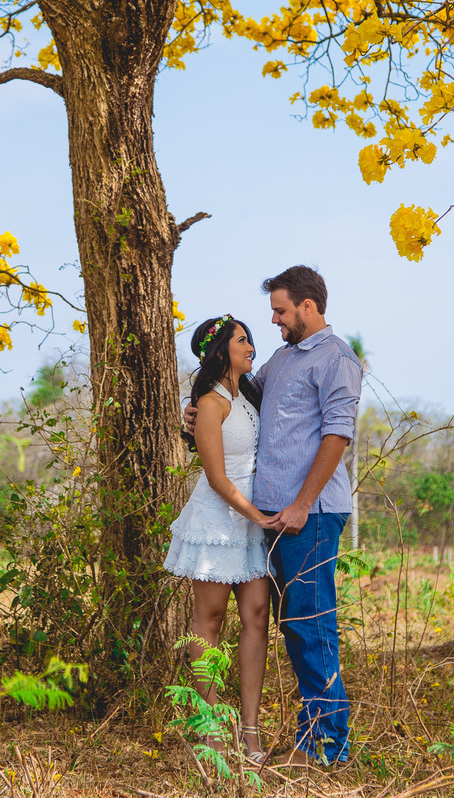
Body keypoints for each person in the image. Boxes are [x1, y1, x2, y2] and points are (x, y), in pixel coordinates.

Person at [184, 266, 362, 767]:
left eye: (280, 311)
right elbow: (234, 398)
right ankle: (306, 737)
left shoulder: (336, 358)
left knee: (310, 624)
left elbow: (337, 434)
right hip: (270, 518)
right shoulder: (282, 360)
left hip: (311, 514)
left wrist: (303, 503)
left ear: (308, 306)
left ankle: (326, 747)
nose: (274, 320)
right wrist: (192, 414)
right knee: (292, 625)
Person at [165, 314, 271, 764]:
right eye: (241, 340)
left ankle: (250, 733)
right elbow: (216, 477)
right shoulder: (210, 403)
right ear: (220, 349)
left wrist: (257, 518)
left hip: (250, 520)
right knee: (209, 620)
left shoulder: (248, 395)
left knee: (257, 616)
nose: (250, 346)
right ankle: (210, 730)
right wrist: (259, 517)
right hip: (218, 521)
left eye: (250, 339)